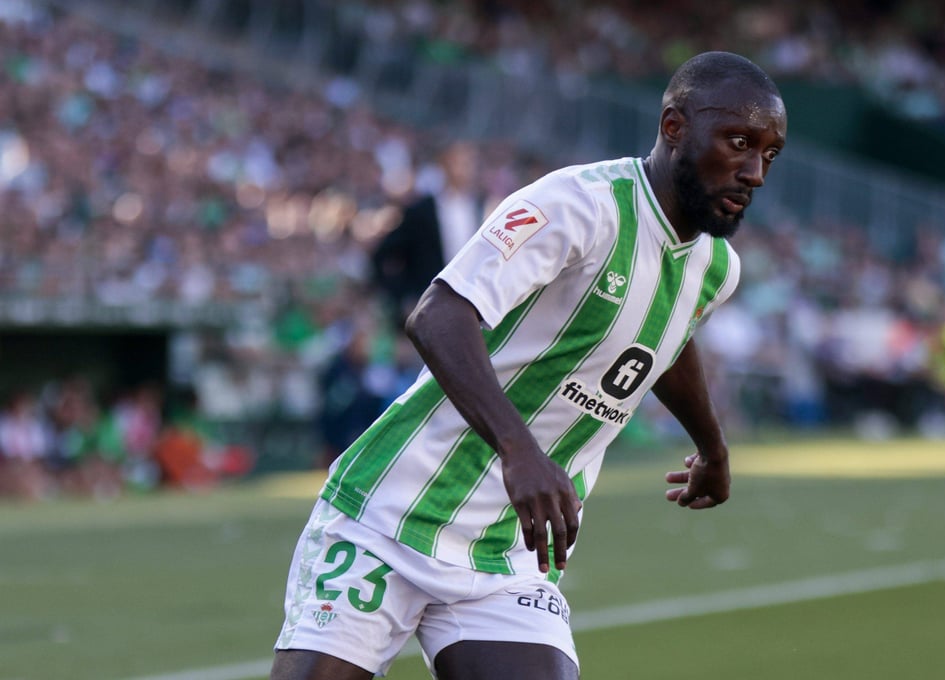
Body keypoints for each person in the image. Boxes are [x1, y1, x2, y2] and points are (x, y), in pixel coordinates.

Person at [270, 51, 786, 680]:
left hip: (509, 549)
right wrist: (520, 451)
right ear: (674, 127)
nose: (755, 172)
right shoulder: (579, 204)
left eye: (769, 154)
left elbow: (667, 338)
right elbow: (438, 315)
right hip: (392, 516)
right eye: (739, 142)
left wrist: (713, 446)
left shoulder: (716, 268)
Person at [371, 141, 485, 329]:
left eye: (470, 162)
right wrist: (403, 296)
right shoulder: (421, 210)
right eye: (459, 162)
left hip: (470, 308)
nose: (466, 169)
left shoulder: (481, 207)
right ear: (443, 164)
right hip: (429, 307)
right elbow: (383, 254)